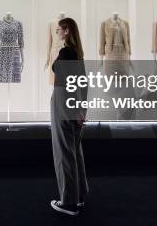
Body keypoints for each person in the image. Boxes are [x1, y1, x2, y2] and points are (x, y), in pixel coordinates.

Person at [49, 17, 89, 216]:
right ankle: (78, 197)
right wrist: (81, 108)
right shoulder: (77, 53)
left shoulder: (66, 52)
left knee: (64, 152)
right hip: (73, 106)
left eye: (58, 30)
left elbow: (68, 83)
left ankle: (68, 202)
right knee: (74, 151)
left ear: (66, 31)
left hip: (64, 105)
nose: (56, 32)